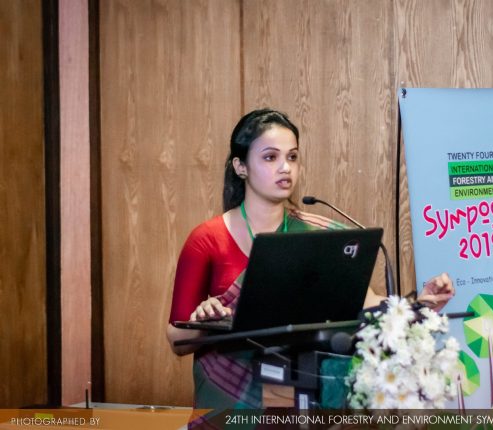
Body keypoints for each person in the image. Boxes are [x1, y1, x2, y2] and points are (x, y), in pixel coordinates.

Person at [166, 109, 455, 410]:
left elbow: (367, 304)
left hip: (303, 398)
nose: (285, 168)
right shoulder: (207, 240)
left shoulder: (318, 236)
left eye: (292, 157)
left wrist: (419, 304)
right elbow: (176, 340)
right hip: (232, 408)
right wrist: (204, 321)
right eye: (270, 157)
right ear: (241, 167)